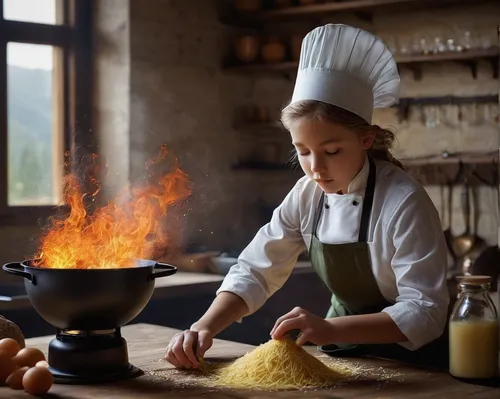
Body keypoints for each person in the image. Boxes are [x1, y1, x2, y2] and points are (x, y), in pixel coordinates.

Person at [165, 24, 450, 370]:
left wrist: (331, 328)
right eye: (302, 151)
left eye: (331, 150)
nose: (315, 168)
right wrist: (203, 327)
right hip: (342, 357)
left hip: (414, 364)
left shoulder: (403, 202)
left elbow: (426, 311)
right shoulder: (307, 195)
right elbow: (256, 268)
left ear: (366, 139)